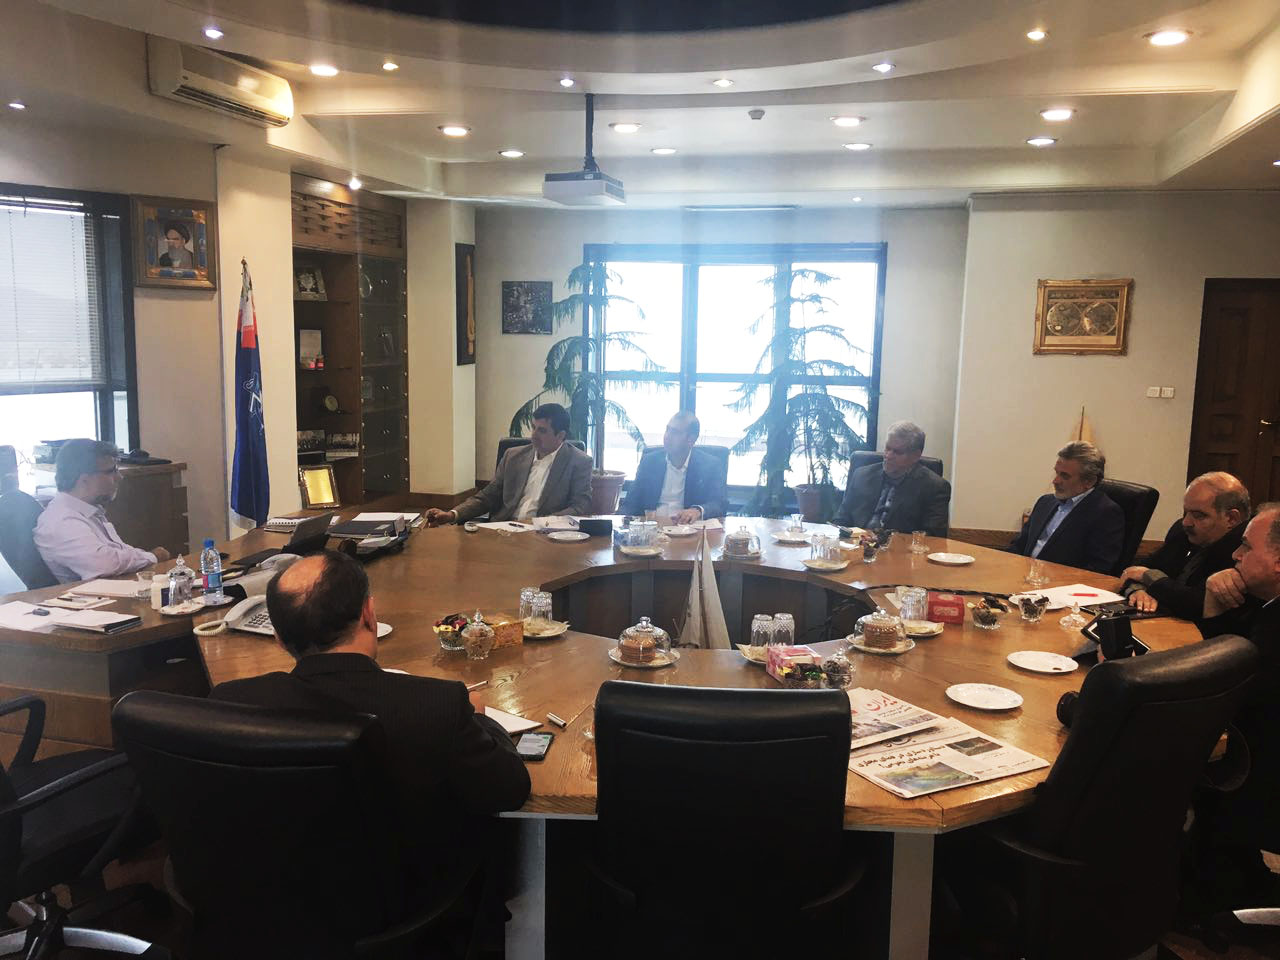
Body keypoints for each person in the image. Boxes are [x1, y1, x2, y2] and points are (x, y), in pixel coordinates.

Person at [211, 550, 531, 901]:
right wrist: (481, 719)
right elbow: (510, 789)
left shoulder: (231, 704)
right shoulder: (437, 706)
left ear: (279, 638)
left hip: (273, 901)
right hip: (406, 906)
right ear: (369, 614)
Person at [1190, 504, 1280, 914]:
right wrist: (1213, 598)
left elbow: (1222, 692)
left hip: (1255, 771)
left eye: (1246, 546)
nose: (1235, 555)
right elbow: (1223, 657)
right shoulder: (1266, 607)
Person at [426, 403, 592, 525]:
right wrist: (452, 514)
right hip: (504, 530)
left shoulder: (579, 462)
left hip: (544, 535)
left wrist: (541, 523)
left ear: (560, 435)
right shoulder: (513, 456)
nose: (533, 435)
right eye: (533, 427)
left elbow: (579, 507)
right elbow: (488, 496)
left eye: (542, 430)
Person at [33, 439, 171, 583]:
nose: (119, 477)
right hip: (92, 595)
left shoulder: (87, 512)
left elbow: (120, 552)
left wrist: (147, 557)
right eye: (111, 471)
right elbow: (104, 564)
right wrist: (152, 556)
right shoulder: (62, 521)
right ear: (84, 480)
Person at [1120, 472, 1249, 618]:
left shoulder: (1244, 553)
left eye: (1198, 515)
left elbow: (1197, 604)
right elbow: (1136, 570)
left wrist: (1148, 577)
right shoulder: (1185, 533)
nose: (1186, 522)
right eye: (1185, 512)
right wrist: (1137, 590)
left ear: (1231, 519)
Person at [1007, 441, 1124, 575]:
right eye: (1056, 473)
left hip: (1059, 584)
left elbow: (1097, 569)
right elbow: (1019, 546)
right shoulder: (1044, 502)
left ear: (1089, 481)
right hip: (1023, 577)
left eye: (1065, 476)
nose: (1055, 481)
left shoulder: (1106, 513)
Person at [831, 420, 950, 537]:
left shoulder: (935, 487)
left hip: (900, 548)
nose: (888, 456)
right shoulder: (862, 475)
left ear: (915, 456)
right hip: (855, 545)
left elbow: (934, 537)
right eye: (887, 448)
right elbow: (841, 520)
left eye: (897, 452)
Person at [619, 412, 728, 522]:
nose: (667, 436)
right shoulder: (650, 461)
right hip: (653, 526)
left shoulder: (710, 465)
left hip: (687, 527)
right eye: (667, 430)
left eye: (675, 432)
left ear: (691, 439)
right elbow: (630, 503)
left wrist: (697, 511)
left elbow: (719, 504)